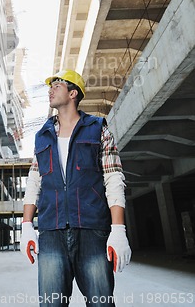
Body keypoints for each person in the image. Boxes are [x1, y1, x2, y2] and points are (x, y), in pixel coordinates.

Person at [20, 70, 131, 307]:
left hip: (91, 230)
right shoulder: (42, 136)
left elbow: (113, 178)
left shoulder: (98, 129)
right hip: (51, 232)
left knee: (101, 303)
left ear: (73, 93)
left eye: (56, 85)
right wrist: (27, 226)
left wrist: (118, 230)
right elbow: (34, 181)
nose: (50, 89)